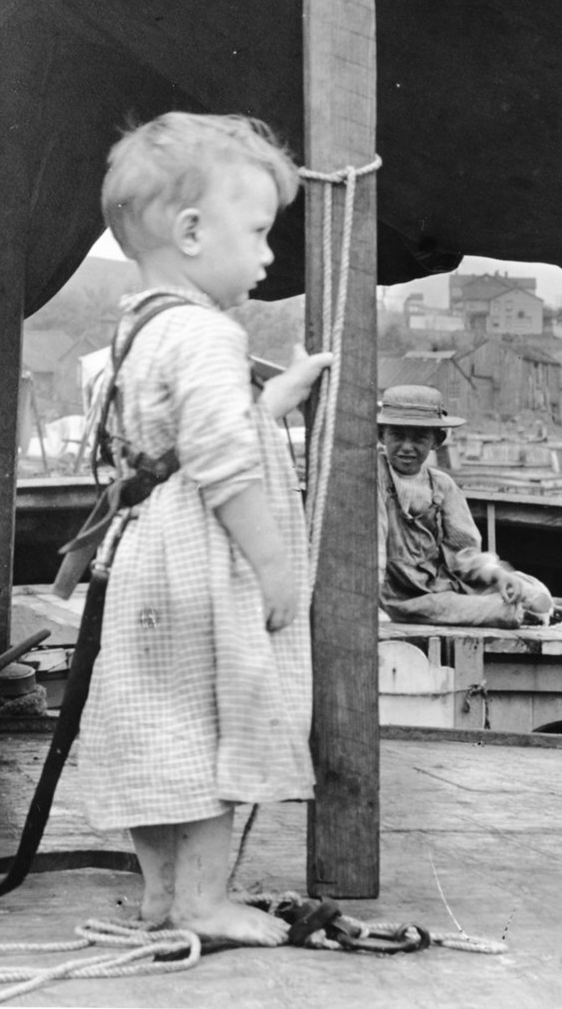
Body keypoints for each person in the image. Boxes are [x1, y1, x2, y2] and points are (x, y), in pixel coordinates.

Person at [76, 112, 332, 949]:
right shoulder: (210, 334)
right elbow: (222, 466)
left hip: (143, 562)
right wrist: (273, 567)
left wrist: (270, 400)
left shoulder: (135, 331)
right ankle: (204, 903)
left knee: (158, 731)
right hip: (200, 570)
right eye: (257, 233)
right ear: (190, 232)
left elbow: (180, 439)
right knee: (215, 727)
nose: (266, 256)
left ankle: (162, 898)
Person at [377, 385, 562, 627]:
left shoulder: (443, 486)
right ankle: (517, 613)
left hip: (447, 584)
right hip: (409, 598)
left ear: (437, 440)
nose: (407, 447)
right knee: (476, 609)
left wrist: (499, 576)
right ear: (382, 436)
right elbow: (375, 550)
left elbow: (465, 555)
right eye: (397, 436)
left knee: (528, 587)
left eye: (420, 438)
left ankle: (528, 606)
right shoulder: (374, 476)